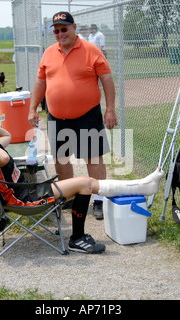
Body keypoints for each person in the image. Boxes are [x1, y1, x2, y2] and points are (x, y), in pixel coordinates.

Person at [0, 113, 164, 254]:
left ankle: (142, 186)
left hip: (29, 191)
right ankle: (78, 238)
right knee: (86, 183)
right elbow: (2, 160)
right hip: (26, 198)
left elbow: (8, 136)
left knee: (87, 184)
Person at [28, 11, 117, 220]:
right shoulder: (49, 53)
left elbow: (107, 80)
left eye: (64, 29)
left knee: (93, 158)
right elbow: (41, 82)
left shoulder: (91, 50)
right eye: (57, 31)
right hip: (57, 117)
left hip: (88, 115)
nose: (60, 34)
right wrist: (32, 108)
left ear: (74, 27)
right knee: (61, 159)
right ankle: (67, 198)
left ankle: (98, 199)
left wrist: (110, 109)